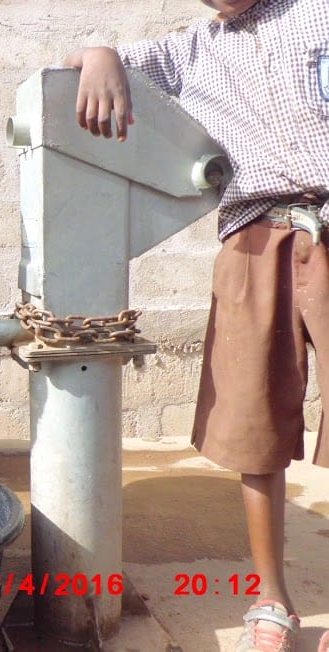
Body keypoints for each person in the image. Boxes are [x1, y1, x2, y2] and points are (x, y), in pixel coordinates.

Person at [61, 1, 329, 650]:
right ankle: (272, 600)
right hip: (252, 242)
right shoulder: (191, 51)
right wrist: (99, 55)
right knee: (252, 424)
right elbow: (102, 60)